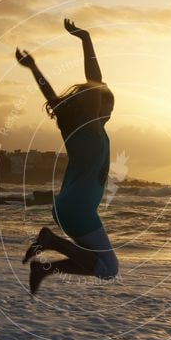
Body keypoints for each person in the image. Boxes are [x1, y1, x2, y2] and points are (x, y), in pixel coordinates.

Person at [16, 19, 119, 295]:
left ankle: (44, 267)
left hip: (67, 208)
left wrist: (33, 67)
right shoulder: (90, 127)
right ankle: (52, 242)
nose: (109, 112)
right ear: (94, 105)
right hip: (77, 209)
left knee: (101, 265)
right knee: (109, 269)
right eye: (107, 106)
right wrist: (85, 38)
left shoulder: (69, 125)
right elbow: (95, 81)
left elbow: (50, 96)